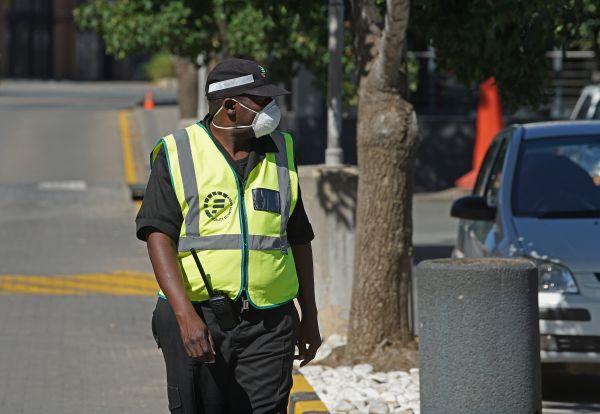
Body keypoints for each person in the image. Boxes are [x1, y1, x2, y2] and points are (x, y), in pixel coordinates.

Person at [135, 57, 321, 414]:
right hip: (198, 318)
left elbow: (299, 237)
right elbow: (158, 235)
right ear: (230, 107)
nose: (272, 108)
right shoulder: (177, 152)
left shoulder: (282, 151)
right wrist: (184, 316)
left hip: (270, 322)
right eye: (262, 101)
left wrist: (309, 313)